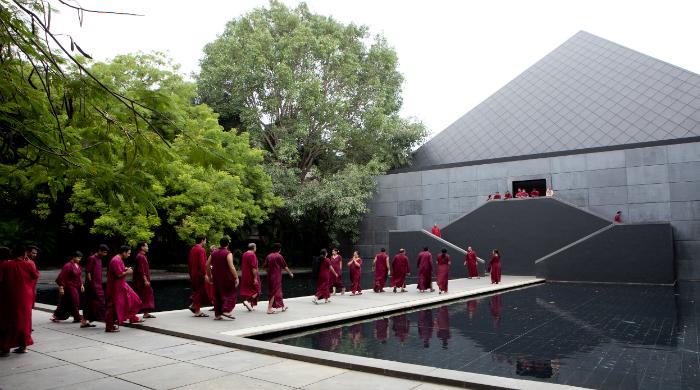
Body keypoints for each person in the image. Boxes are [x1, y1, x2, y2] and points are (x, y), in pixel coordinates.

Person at [0, 246, 40, 355]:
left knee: (8, 321)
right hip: (26, 297)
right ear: (24, 254)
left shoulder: (6, 264)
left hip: (9, 297)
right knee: (24, 322)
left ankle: (5, 348)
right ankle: (23, 346)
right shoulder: (30, 263)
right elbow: (35, 275)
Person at [105, 245, 143, 332]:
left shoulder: (118, 259)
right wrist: (128, 272)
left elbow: (119, 270)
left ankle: (132, 317)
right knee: (113, 306)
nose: (129, 255)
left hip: (121, 285)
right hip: (115, 287)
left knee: (134, 299)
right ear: (124, 252)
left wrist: (125, 269)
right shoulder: (116, 260)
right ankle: (109, 326)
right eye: (128, 253)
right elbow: (118, 275)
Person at [51, 251, 92, 328]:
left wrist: (82, 285)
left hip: (76, 286)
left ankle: (57, 315)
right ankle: (77, 317)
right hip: (69, 286)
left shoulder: (77, 265)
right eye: (78, 258)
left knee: (67, 301)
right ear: (73, 257)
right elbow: (62, 277)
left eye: (80, 258)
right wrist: (61, 287)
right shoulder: (68, 266)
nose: (79, 259)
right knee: (75, 301)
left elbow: (79, 276)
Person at [206, 237, 238, 320]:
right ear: (227, 244)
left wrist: (209, 276)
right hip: (226, 277)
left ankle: (217, 315)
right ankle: (226, 310)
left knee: (217, 295)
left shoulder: (213, 253)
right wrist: (236, 277)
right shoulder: (228, 253)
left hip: (216, 277)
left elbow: (207, 265)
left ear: (220, 243)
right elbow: (231, 267)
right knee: (230, 293)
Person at [264, 243, 294, 314]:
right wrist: (290, 273)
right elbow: (285, 266)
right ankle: (269, 309)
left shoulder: (269, 256)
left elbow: (265, 267)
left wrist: (270, 271)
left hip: (270, 276)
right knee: (274, 292)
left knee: (278, 292)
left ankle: (282, 306)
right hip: (276, 277)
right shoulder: (279, 256)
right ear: (279, 249)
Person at [83, 244, 108, 324]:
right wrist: (90, 283)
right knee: (89, 302)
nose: (105, 254)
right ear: (99, 250)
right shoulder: (92, 258)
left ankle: (87, 320)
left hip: (98, 285)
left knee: (98, 302)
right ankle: (85, 321)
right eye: (104, 252)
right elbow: (88, 271)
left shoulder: (99, 259)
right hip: (92, 285)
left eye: (106, 253)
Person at [188, 235, 210, 317]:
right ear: (202, 240)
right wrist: (205, 274)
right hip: (199, 274)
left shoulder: (193, 249)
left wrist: (190, 273)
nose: (205, 242)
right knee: (199, 292)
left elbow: (190, 263)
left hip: (193, 273)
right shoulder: (201, 250)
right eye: (205, 240)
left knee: (196, 291)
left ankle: (193, 305)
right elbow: (202, 264)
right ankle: (197, 311)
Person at [132, 241, 155, 319]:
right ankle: (134, 314)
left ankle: (146, 313)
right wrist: (145, 280)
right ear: (142, 247)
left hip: (143, 280)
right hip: (141, 281)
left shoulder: (142, 256)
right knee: (143, 296)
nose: (147, 248)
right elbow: (141, 270)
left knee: (147, 295)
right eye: (146, 246)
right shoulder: (140, 256)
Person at [239, 243, 261, 311]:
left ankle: (250, 305)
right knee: (257, 290)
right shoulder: (252, 255)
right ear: (254, 248)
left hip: (245, 275)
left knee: (248, 290)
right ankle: (247, 300)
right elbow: (254, 268)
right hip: (251, 275)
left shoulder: (244, 254)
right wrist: (255, 278)